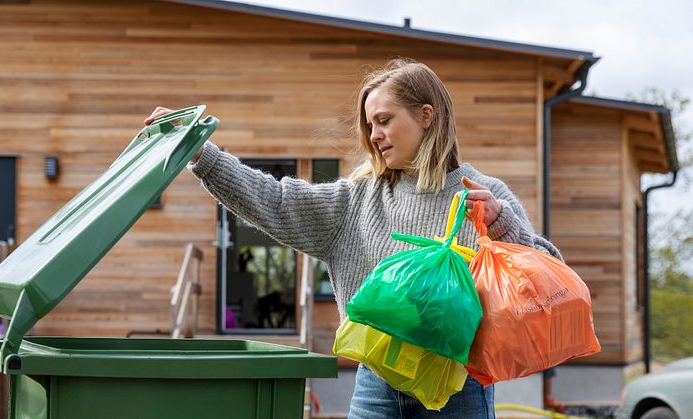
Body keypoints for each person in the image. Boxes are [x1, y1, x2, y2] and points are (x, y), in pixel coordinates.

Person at [144, 58, 562, 419]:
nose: (374, 135)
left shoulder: (481, 194)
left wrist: (502, 222)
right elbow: (275, 199)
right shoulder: (357, 199)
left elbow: (546, 271)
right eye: (369, 125)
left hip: (458, 388)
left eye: (384, 120)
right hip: (376, 383)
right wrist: (201, 152)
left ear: (426, 116)